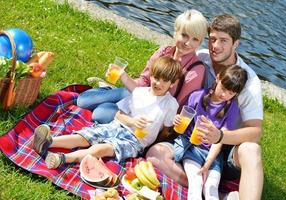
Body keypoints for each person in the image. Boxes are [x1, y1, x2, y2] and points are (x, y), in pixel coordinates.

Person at [146, 14, 264, 200]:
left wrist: (221, 136)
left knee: (252, 150)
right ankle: (217, 193)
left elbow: (255, 132)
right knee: (154, 155)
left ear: (236, 44)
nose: (215, 46)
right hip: (191, 140)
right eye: (213, 39)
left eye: (223, 41)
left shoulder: (249, 81)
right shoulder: (201, 58)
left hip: (224, 149)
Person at [32, 56, 182, 168]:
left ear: (172, 83)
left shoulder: (170, 104)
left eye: (164, 80)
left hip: (135, 141)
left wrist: (175, 125)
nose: (158, 83)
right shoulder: (139, 92)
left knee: (102, 149)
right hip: (118, 126)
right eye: (156, 77)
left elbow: (167, 129)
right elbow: (118, 114)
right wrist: (132, 121)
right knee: (87, 136)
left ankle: (63, 158)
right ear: (151, 76)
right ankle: (48, 142)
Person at [77, 9, 208, 124]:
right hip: (138, 94)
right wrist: (124, 77)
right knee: (82, 101)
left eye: (195, 39)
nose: (188, 43)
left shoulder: (195, 71)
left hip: (154, 113)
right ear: (175, 33)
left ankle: (108, 96)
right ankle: (108, 94)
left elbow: (178, 107)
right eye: (184, 35)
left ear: (200, 42)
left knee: (100, 114)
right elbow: (144, 81)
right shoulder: (164, 51)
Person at [173, 65, 247, 200]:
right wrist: (177, 121)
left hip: (213, 156)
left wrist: (207, 165)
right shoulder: (197, 96)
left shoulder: (232, 109)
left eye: (230, 93)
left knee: (210, 189)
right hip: (193, 150)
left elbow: (220, 141)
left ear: (235, 94)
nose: (224, 94)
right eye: (223, 88)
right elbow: (184, 123)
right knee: (196, 184)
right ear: (218, 78)